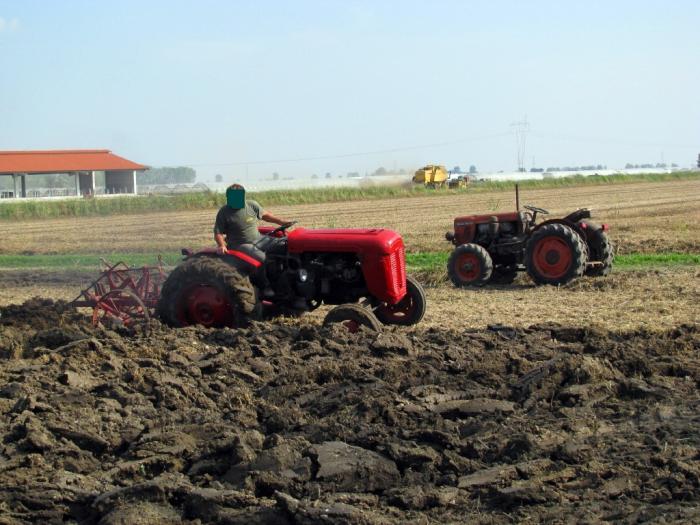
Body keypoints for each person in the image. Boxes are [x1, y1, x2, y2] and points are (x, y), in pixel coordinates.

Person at [213, 183, 292, 297]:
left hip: (259, 239)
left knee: (285, 245)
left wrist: (281, 222)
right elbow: (218, 233)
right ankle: (265, 287)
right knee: (262, 259)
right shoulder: (224, 212)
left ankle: (286, 280)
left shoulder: (251, 205)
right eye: (232, 197)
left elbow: (266, 215)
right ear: (228, 197)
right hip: (240, 244)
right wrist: (222, 245)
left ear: (243, 196)